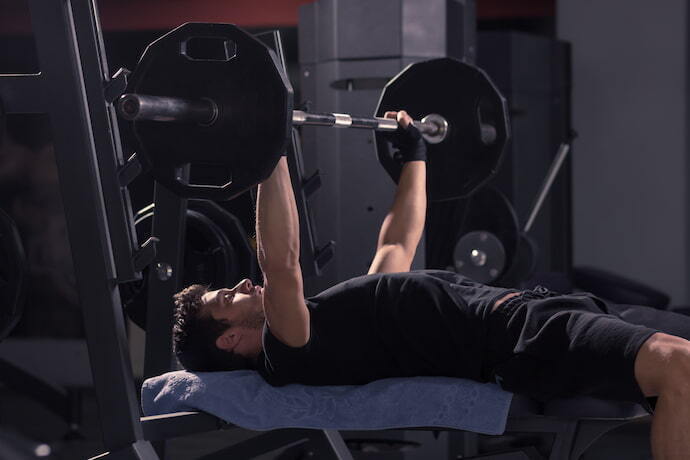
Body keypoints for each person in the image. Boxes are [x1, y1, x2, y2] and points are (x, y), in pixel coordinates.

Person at [173, 111, 690, 460]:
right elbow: (279, 263)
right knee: (679, 367)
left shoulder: (343, 325)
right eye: (227, 297)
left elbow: (396, 244)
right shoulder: (285, 351)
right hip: (522, 338)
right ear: (229, 339)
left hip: (547, 309)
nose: (242, 284)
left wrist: (414, 155)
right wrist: (272, 151)